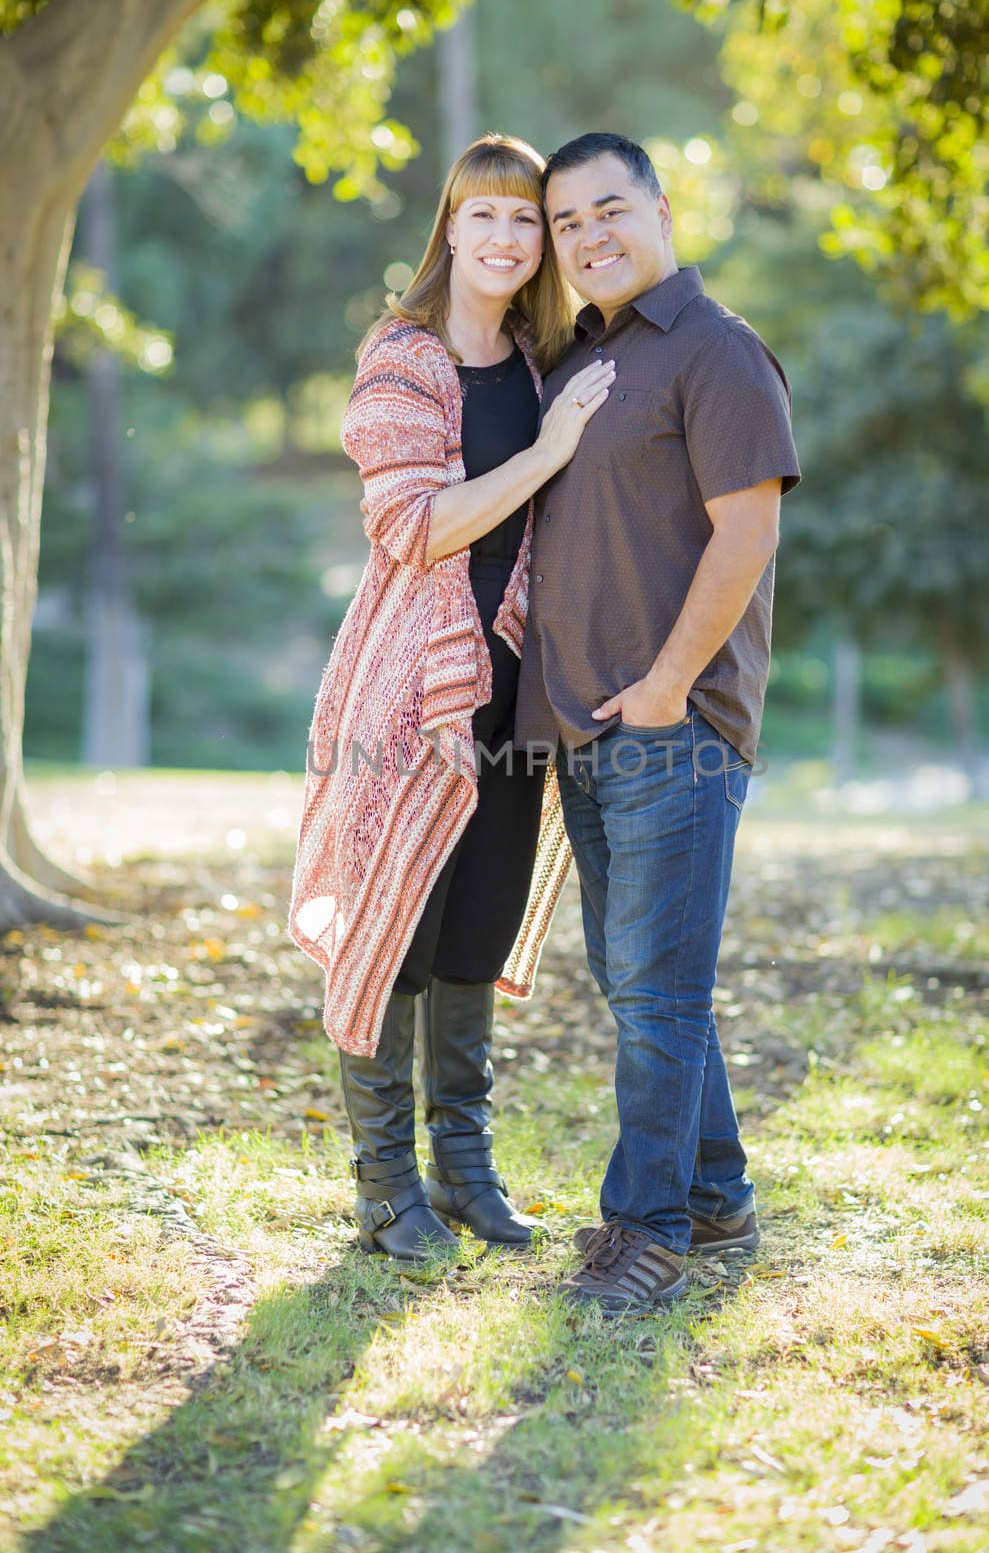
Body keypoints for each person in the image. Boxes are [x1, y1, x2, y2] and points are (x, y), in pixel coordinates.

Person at [289, 135, 614, 1263]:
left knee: (474, 929)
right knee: (396, 927)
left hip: (513, 690)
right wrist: (547, 454)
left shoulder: (540, 361)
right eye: (482, 217)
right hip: (409, 695)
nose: (505, 238)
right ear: (449, 229)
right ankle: (385, 1191)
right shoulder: (403, 359)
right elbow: (411, 526)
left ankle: (463, 1170)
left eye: (524, 220)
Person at [515, 132, 802, 1313]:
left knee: (658, 993)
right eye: (565, 222)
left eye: (607, 209)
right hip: (586, 726)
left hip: (672, 725)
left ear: (663, 208)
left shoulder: (718, 354)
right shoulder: (580, 361)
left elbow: (746, 534)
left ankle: (644, 1232)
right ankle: (718, 1196)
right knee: (643, 983)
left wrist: (670, 685)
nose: (587, 236)